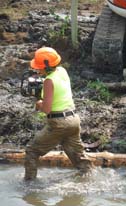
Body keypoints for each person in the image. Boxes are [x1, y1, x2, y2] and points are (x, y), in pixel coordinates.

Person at [24, 47, 91, 180]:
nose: (37, 70)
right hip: (73, 120)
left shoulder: (49, 81)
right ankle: (89, 178)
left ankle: (29, 185)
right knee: (79, 158)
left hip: (58, 123)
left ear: (45, 67)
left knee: (31, 151)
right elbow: (57, 90)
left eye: (39, 67)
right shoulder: (62, 71)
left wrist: (39, 103)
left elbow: (46, 109)